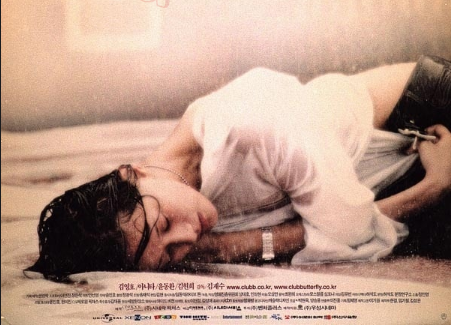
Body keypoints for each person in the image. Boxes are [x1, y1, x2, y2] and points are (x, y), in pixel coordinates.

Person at [27, 55, 451, 282]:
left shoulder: (246, 129)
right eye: (170, 254)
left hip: (425, 117)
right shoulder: (165, 191)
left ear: (131, 173)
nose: (188, 238)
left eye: (164, 224)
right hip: (398, 186)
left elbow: (353, 231)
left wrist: (433, 187)